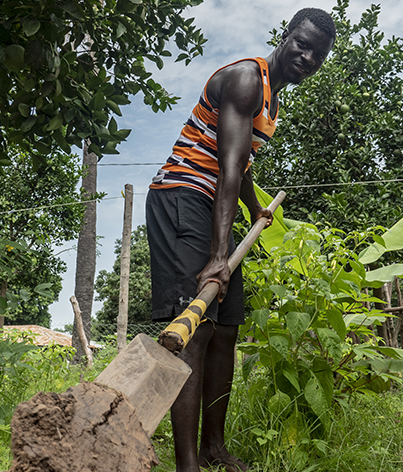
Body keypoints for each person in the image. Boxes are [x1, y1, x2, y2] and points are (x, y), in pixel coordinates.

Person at [146, 8, 336, 472]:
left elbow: (240, 163)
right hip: (182, 196)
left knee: (226, 329)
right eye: (302, 44)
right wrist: (218, 256)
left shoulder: (271, 101)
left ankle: (214, 447)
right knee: (197, 328)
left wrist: (255, 208)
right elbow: (225, 169)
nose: (306, 57)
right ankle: (187, 464)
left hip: (215, 204)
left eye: (318, 53)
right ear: (285, 36)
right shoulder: (248, 80)